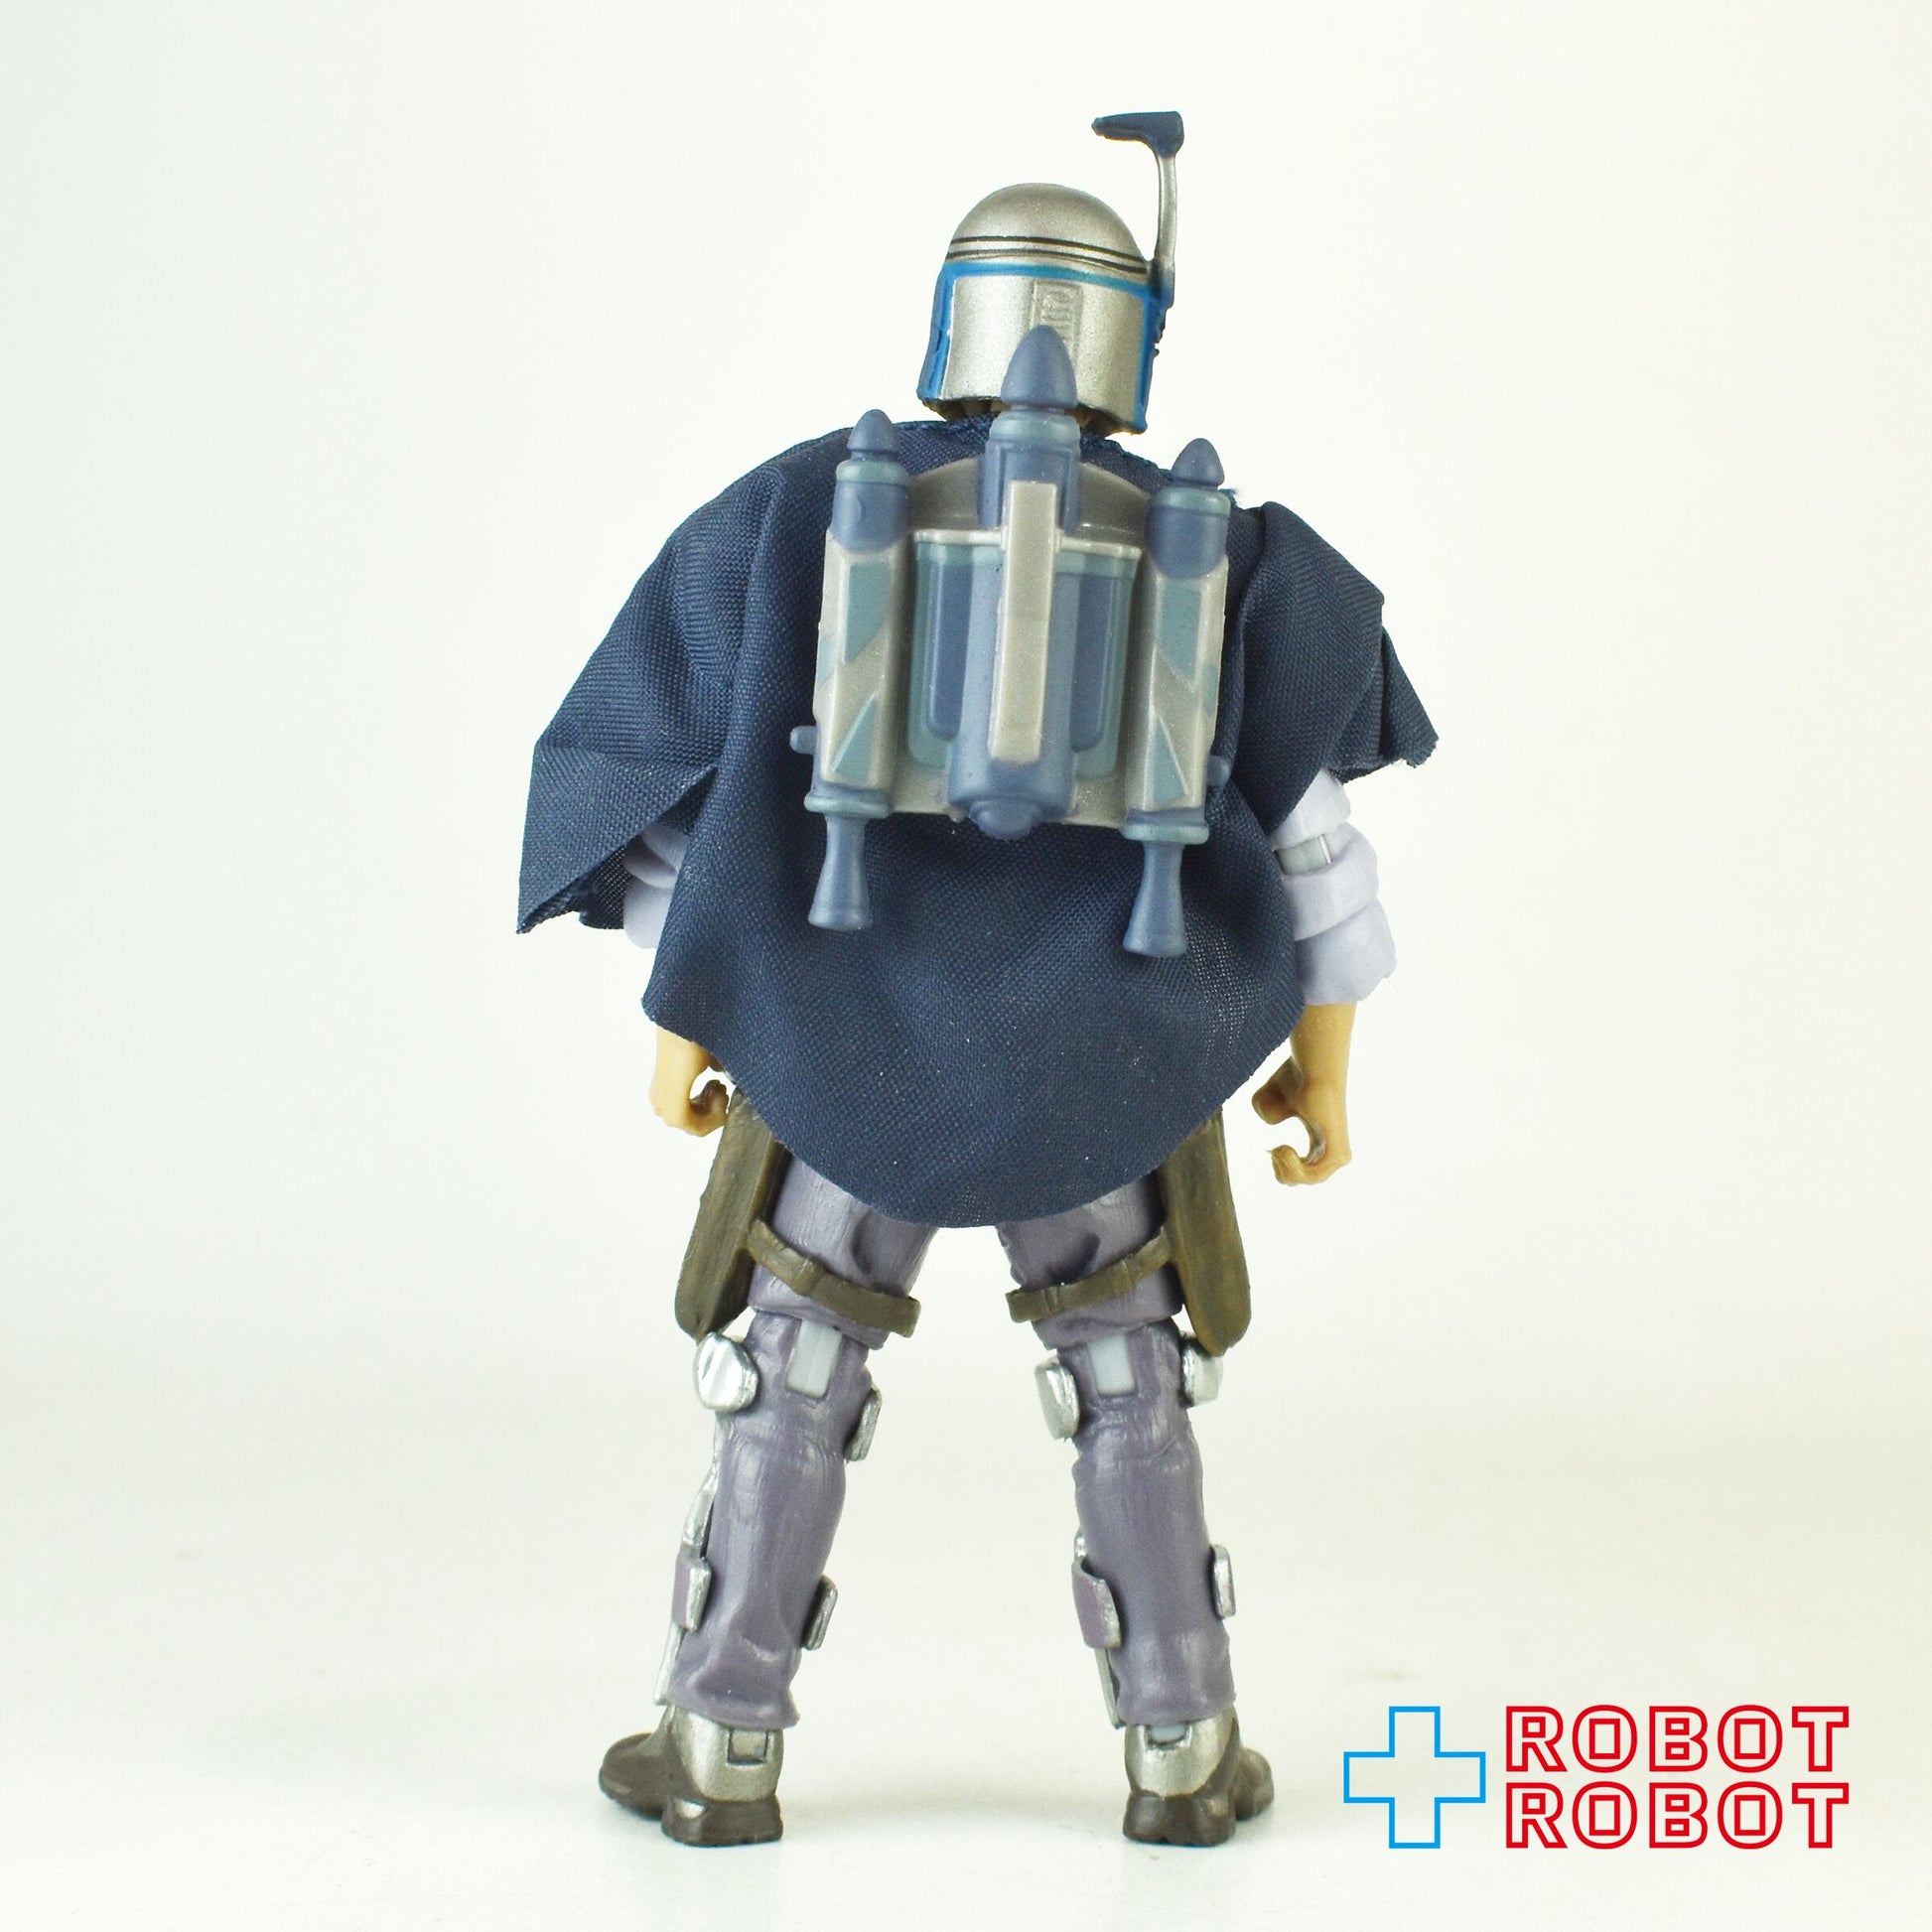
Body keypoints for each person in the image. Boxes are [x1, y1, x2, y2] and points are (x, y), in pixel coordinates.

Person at [517, 113, 1435, 1848]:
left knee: (790, 1365)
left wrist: (686, 1013)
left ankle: (719, 1746)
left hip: (849, 1048)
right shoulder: (1235, 552)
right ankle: (1181, 1749)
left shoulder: (802, 510)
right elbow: (1319, 847)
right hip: (1107, 1061)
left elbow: (687, 794)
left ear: (956, 312)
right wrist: (1321, 1062)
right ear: (1128, 338)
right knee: (1126, 1374)